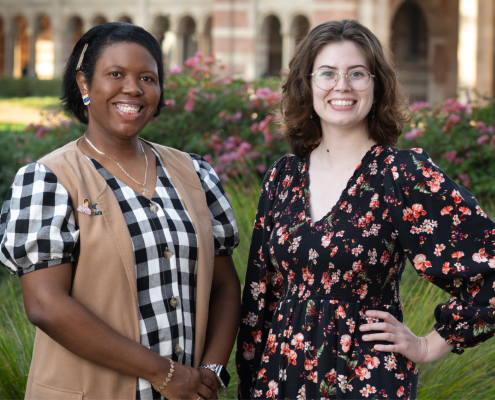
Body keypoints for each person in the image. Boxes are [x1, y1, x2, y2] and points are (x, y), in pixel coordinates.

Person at [236, 19, 495, 400]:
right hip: (282, 377)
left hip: (365, 379)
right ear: (306, 85)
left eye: (357, 73)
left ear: (377, 84)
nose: (342, 86)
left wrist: (429, 345)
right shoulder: (283, 177)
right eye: (327, 73)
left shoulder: (400, 174)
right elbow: (261, 295)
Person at [0, 22, 241, 400]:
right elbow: (46, 305)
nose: (133, 88)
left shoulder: (195, 174)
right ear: (84, 84)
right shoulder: (49, 180)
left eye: (148, 77)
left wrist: (209, 372)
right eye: (116, 74)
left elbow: (225, 286)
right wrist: (165, 375)